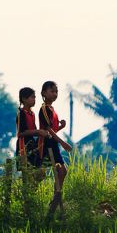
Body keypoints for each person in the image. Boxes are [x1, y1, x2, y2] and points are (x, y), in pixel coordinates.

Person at [39, 80, 71, 217]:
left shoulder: (52, 109)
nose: (55, 94)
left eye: (56, 91)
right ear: (44, 93)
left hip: (53, 143)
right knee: (58, 171)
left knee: (62, 171)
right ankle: (55, 198)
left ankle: (56, 197)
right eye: (52, 91)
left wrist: (61, 127)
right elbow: (47, 129)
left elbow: (53, 130)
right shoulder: (44, 108)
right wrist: (63, 143)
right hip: (47, 144)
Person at [15, 87, 46, 166]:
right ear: (24, 99)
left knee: (34, 169)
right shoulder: (21, 113)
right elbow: (21, 133)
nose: (34, 99)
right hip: (23, 145)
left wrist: (43, 132)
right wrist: (38, 131)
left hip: (32, 144)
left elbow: (33, 130)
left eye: (35, 97)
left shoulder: (32, 113)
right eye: (32, 97)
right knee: (26, 171)